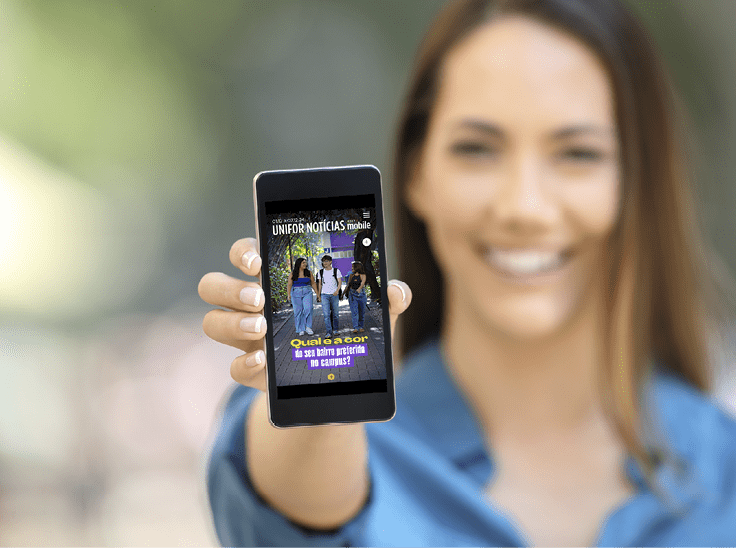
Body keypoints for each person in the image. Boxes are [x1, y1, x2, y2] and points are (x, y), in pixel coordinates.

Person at [198, 0, 736, 545]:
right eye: (477, 149)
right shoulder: (339, 443)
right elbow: (300, 498)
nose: (524, 206)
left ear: (636, 182)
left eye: (578, 154)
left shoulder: (723, 466)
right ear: (415, 173)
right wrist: (316, 383)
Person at [286, 257, 317, 336]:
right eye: (303, 262)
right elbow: (289, 284)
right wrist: (288, 295)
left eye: (305, 262)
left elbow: (313, 283)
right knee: (298, 311)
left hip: (307, 292)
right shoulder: (293, 274)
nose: (305, 264)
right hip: (296, 293)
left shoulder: (308, 272)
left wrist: (317, 294)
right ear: (299, 264)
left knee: (308, 308)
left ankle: (308, 327)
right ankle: (300, 329)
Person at [315, 255, 343, 338]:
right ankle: (329, 332)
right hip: (324, 295)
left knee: (335, 314)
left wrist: (337, 291)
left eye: (326, 261)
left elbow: (339, 282)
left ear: (330, 262)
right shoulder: (320, 272)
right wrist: (319, 295)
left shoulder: (336, 271)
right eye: (323, 261)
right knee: (326, 315)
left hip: (334, 295)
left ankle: (336, 330)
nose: (325, 263)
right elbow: (319, 284)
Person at [347, 261, 368, 333]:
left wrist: (359, 288)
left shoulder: (363, 275)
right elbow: (348, 284)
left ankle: (361, 326)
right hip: (352, 295)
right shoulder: (351, 275)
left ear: (357, 267)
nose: (351, 268)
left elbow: (362, 283)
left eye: (353, 267)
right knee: (354, 312)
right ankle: (355, 327)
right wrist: (344, 293)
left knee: (361, 312)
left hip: (361, 295)